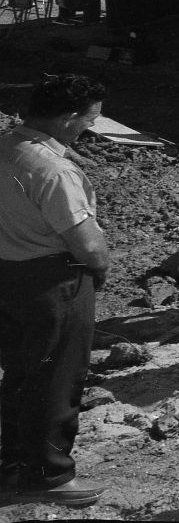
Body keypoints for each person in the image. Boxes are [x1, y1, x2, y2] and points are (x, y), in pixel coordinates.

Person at [0, 75, 111, 508]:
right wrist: (99, 270)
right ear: (67, 119)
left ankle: (14, 464)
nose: (90, 128)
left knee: (23, 375)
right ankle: (47, 475)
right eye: (88, 120)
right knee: (57, 378)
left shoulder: (5, 146)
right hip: (53, 284)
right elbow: (87, 244)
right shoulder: (52, 169)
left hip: (8, 276)